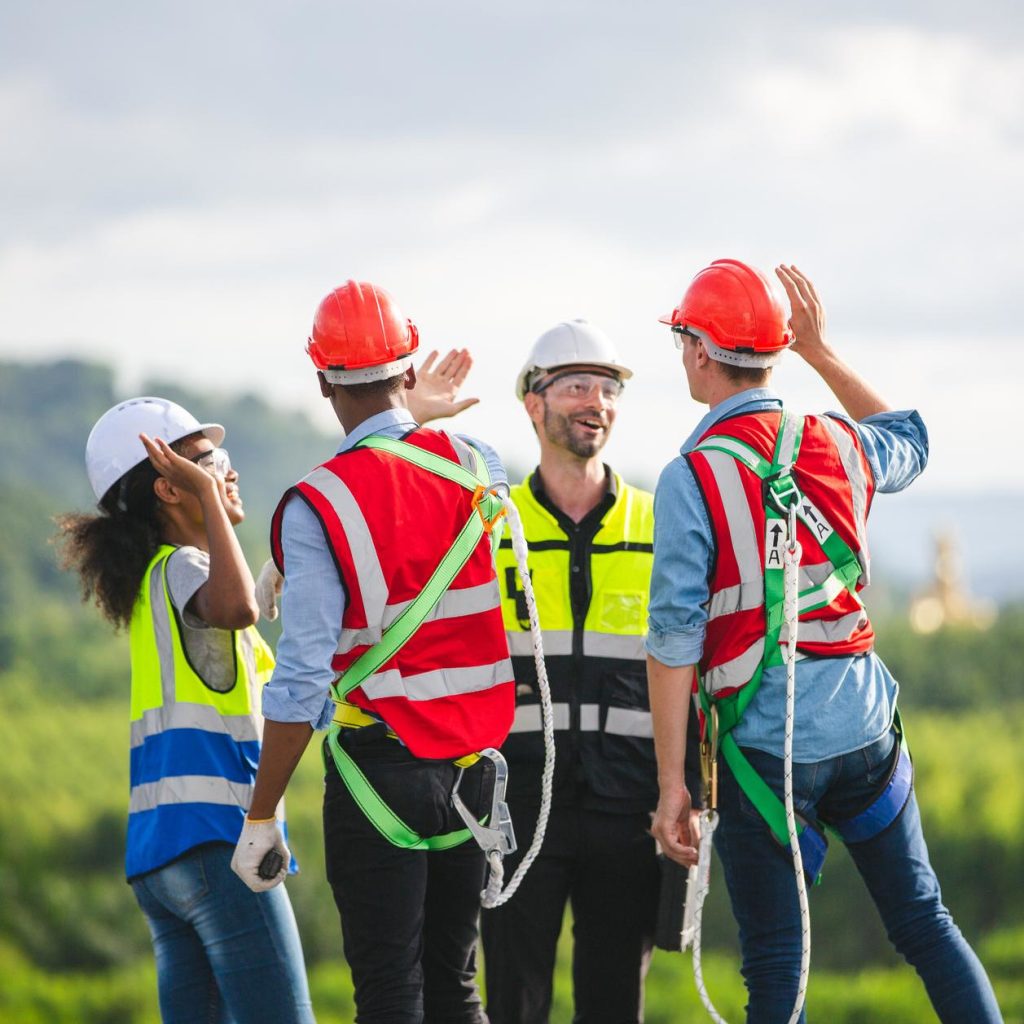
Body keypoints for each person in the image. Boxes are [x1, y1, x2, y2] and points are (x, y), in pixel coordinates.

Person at [646, 260, 1003, 1023]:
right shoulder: (837, 443)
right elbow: (911, 438)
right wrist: (820, 353)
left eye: (683, 339)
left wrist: (673, 783)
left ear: (702, 351)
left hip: (765, 752)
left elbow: (675, 641)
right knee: (926, 924)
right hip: (866, 730)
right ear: (777, 350)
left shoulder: (692, 478)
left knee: (780, 964)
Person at [230, 280, 515, 1024]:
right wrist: (412, 417)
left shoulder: (317, 501)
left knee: (390, 992)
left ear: (321, 379)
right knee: (456, 987)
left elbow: (299, 678)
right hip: (472, 769)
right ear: (410, 369)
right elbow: (411, 482)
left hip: (376, 771)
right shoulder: (478, 463)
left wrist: (263, 814)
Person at [57, 397, 315, 1023]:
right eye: (207, 464)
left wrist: (267, 573)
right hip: (217, 840)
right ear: (170, 488)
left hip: (160, 857)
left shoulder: (160, 579)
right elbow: (234, 610)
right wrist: (210, 500)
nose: (225, 473)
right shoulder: (183, 567)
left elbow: (226, 617)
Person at [480, 320, 661, 1024]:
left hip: (628, 806)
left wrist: (691, 795)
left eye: (609, 387)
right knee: (513, 1006)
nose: (598, 401)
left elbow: (692, 668)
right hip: (518, 807)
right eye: (579, 385)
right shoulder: (493, 526)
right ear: (535, 403)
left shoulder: (658, 522)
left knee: (616, 1006)